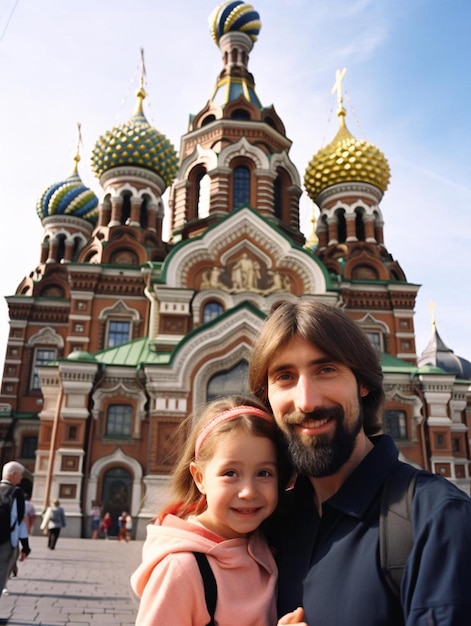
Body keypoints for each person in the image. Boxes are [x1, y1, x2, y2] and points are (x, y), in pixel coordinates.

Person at [248, 299, 471, 626]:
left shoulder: (436, 518)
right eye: (284, 376)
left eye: (326, 370)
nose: (306, 401)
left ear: (363, 382)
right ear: (266, 397)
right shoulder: (272, 521)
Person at [130, 396, 306, 626]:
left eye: (264, 473)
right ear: (200, 478)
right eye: (230, 473)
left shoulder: (265, 543)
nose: (248, 492)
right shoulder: (181, 570)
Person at [0, 461, 31, 596]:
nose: (21, 479)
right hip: (6, 541)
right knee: (1, 574)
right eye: (20, 476)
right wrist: (25, 546)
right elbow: (19, 521)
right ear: (13, 475)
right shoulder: (16, 492)